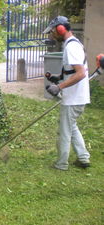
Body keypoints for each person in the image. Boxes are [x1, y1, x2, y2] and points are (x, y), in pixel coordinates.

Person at [43, 16, 91, 170]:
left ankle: (61, 164)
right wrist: (58, 78)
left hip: (73, 98)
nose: (52, 35)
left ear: (60, 29)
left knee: (64, 131)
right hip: (76, 97)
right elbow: (72, 71)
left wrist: (59, 87)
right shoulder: (71, 45)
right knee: (72, 127)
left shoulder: (71, 47)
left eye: (53, 32)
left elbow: (81, 73)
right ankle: (83, 158)